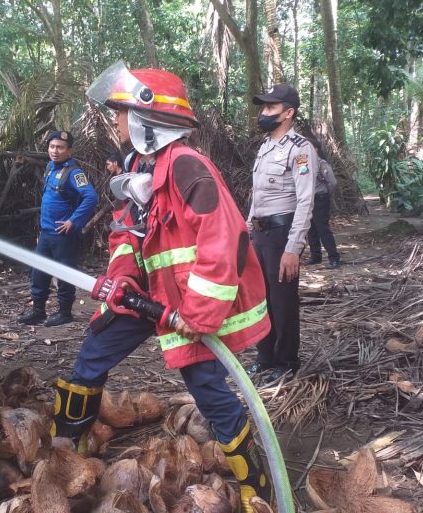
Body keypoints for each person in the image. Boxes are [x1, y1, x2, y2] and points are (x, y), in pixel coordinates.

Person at [50, 62, 272, 512]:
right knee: (93, 352)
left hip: (188, 307)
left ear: (148, 119)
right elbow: (125, 234)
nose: (115, 121)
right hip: (148, 298)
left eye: (121, 112)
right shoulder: (139, 168)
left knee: (208, 388)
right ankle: (67, 453)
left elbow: (221, 240)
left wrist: (198, 314)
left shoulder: (189, 168)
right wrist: (124, 277)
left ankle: (258, 487)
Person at [246, 83, 318, 381]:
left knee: (282, 300)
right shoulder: (264, 147)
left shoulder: (301, 149)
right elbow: (257, 195)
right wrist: (248, 229)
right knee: (260, 299)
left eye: (271, 108)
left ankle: (286, 362)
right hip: (260, 234)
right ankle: (265, 358)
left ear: (288, 113)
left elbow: (305, 199)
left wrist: (293, 248)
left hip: (282, 234)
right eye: (263, 107)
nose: (264, 112)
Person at [17, 130, 98, 327]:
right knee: (39, 272)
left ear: (69, 150)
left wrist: (73, 221)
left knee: (64, 273)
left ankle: (64, 313)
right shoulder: (49, 168)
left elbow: (91, 197)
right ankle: (38, 311)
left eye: (60, 147)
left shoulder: (74, 173)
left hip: (64, 235)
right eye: (52, 147)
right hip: (46, 234)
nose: (55, 151)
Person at [306, 156, 340, 268]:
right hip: (307, 200)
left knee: (322, 228)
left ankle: (333, 257)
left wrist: (324, 194)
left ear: (315, 149)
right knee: (310, 228)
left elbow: (332, 182)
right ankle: (315, 256)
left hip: (320, 198)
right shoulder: (303, 163)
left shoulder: (321, 163)